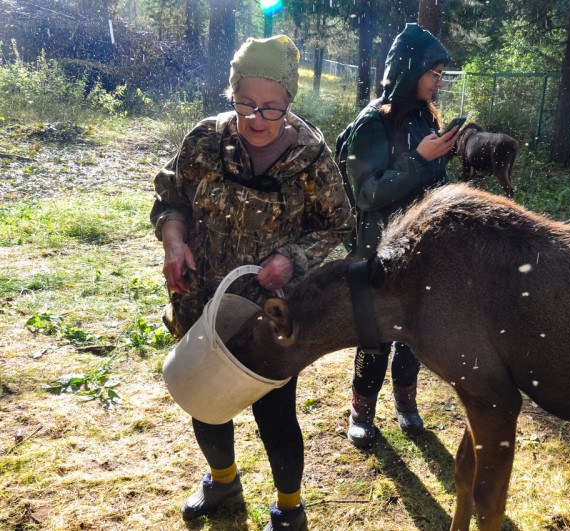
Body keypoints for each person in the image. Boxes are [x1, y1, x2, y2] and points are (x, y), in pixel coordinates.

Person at [150, 35, 353, 530]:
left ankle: (289, 508)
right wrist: (174, 242)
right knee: (205, 397)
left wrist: (291, 257)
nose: (255, 118)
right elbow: (171, 199)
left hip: (270, 312)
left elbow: (337, 225)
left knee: (275, 414)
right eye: (244, 103)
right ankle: (223, 480)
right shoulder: (203, 141)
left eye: (270, 107)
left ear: (289, 102)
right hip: (204, 301)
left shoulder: (309, 157)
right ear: (231, 93)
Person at [344, 23, 459, 448]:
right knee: (376, 336)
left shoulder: (425, 118)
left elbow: (431, 185)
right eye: (434, 72)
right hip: (381, 252)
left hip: (422, 252)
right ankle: (360, 410)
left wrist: (438, 160)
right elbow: (366, 193)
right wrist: (418, 158)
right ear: (411, 70)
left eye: (441, 73)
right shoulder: (372, 123)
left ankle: (406, 404)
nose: (439, 81)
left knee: (413, 334)